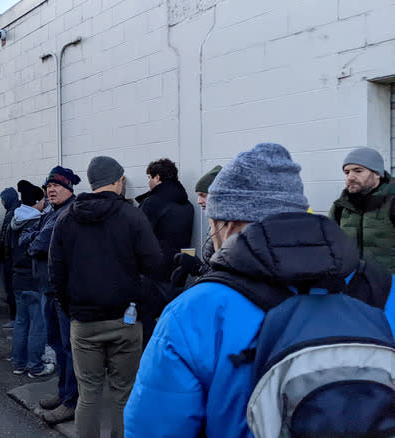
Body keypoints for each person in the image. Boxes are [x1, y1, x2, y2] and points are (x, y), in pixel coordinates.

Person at [123, 143, 395, 437]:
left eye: (213, 227)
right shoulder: (383, 288)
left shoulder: (194, 311)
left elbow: (155, 428)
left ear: (228, 224)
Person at [51, 156, 162, 438]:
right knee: (123, 395)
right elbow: (154, 264)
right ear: (115, 181)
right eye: (123, 179)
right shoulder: (132, 215)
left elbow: (57, 273)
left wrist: (72, 310)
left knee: (88, 395)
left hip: (84, 322)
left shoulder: (66, 218)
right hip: (125, 320)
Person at [24, 166, 81, 425]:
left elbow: (36, 244)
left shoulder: (67, 213)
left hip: (62, 293)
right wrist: (34, 239)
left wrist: (34, 239)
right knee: (58, 346)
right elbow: (31, 240)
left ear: (69, 187)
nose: (51, 189)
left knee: (68, 349)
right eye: (48, 186)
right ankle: (64, 393)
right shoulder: (54, 212)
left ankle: (71, 401)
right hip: (50, 290)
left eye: (57, 185)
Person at [135, 158, 194, 343]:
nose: (148, 182)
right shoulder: (188, 205)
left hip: (153, 273)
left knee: (145, 321)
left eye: (149, 178)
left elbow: (138, 238)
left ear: (158, 177)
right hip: (179, 270)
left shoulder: (152, 203)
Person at [9, 180, 53, 377]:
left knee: (21, 321)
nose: (45, 202)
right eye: (43, 199)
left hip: (18, 277)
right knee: (38, 323)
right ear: (36, 201)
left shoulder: (14, 219)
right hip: (34, 279)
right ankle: (35, 366)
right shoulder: (38, 222)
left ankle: (19, 363)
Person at [329, 147, 394, 273]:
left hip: (389, 285)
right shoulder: (340, 206)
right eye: (347, 172)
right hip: (352, 282)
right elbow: (330, 245)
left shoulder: (392, 202)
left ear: (377, 174)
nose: (350, 177)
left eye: (358, 171)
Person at [170, 165, 222, 289]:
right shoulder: (215, 224)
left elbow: (231, 275)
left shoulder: (231, 229)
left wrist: (200, 268)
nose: (198, 201)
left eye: (203, 195)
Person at [0, 186, 20, 327]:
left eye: (3, 199)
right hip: (10, 258)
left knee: (12, 288)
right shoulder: (14, 211)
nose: (2, 202)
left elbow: (6, 238)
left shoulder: (12, 214)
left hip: (11, 259)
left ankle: (15, 317)